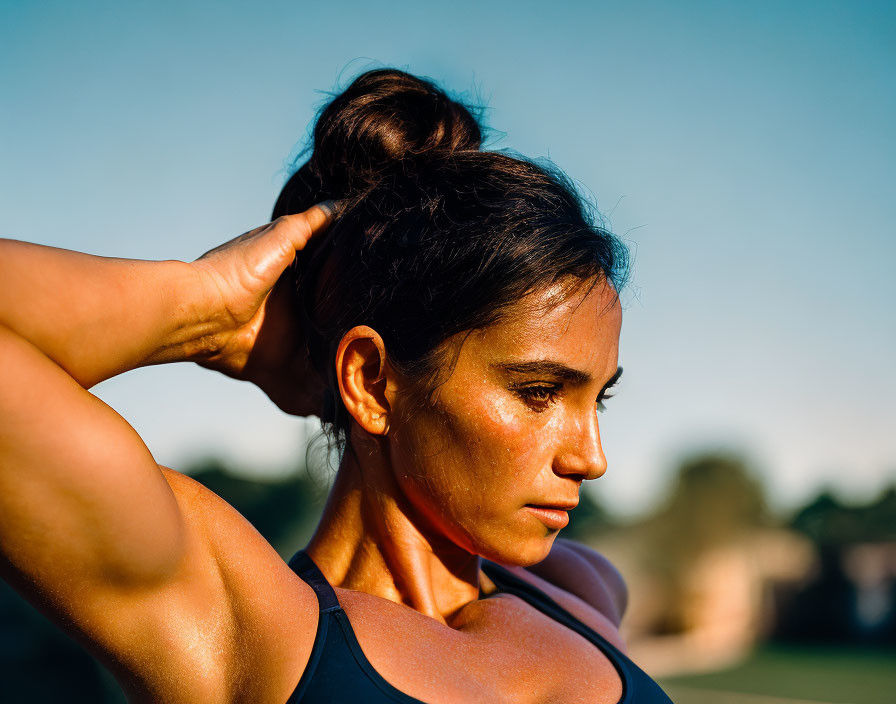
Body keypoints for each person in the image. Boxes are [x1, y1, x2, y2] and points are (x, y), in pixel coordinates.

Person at [0, 69, 674, 702]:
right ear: (372, 381)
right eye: (538, 391)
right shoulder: (243, 626)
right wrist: (198, 311)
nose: (591, 458)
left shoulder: (579, 587)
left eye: (598, 398)